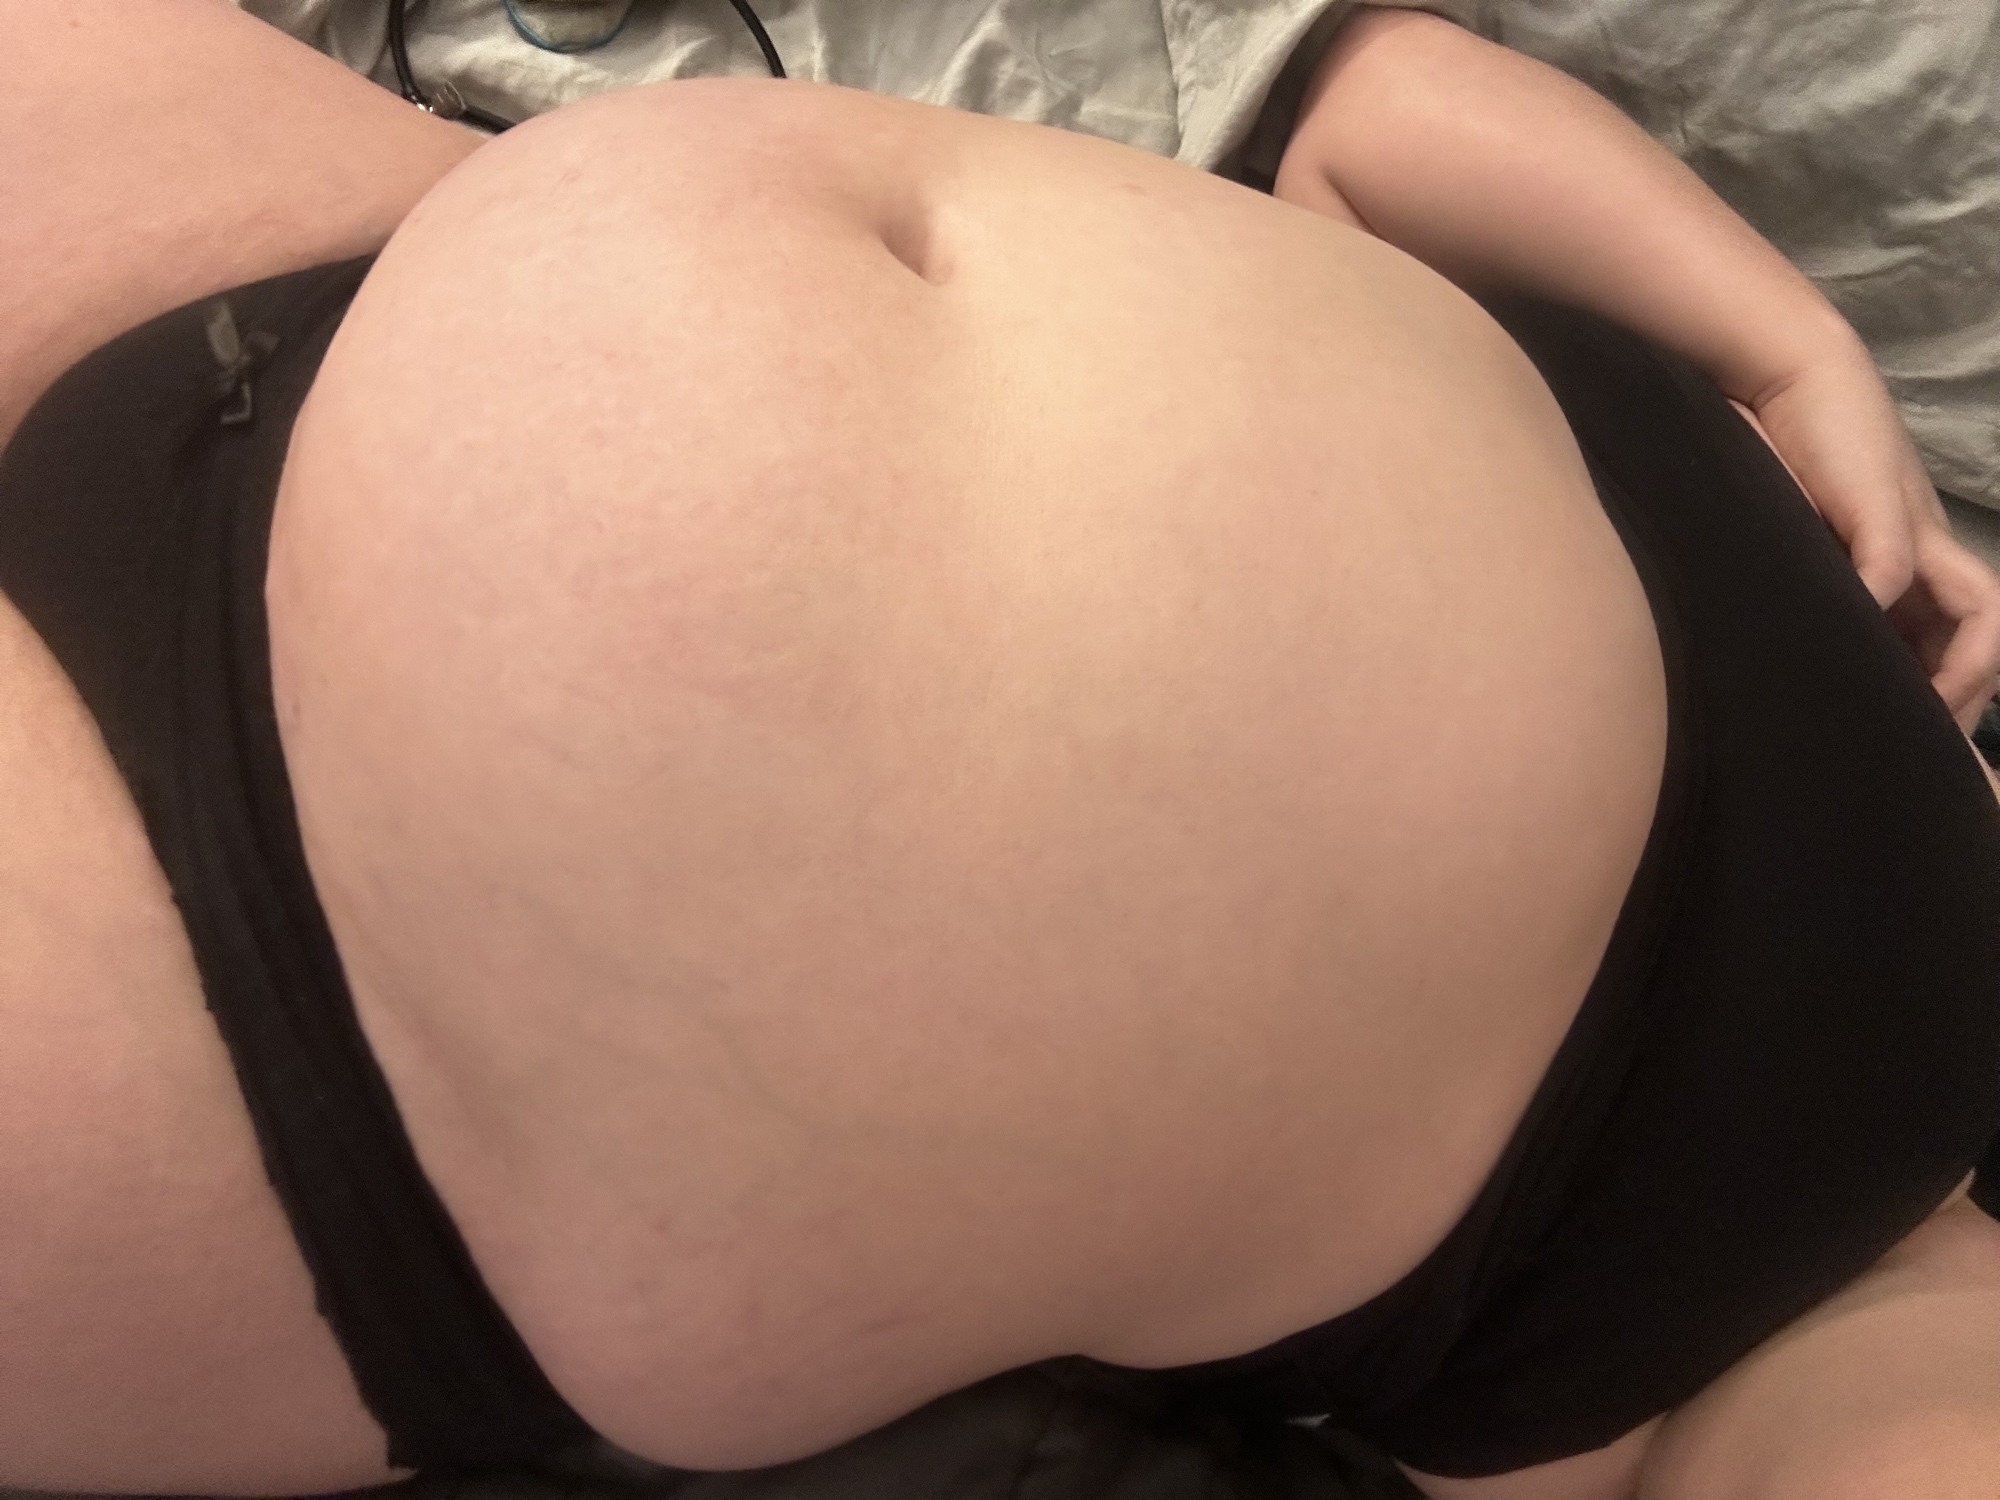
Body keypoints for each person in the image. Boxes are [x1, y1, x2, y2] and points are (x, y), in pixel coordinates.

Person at [3, 3, 1998, 1498]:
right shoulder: (1859, 1240)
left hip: (383, 1088)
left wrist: (1771, 352)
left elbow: (1361, 104)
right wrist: (1786, 342)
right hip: (367, 273)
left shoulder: (1843, 1288)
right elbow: (1360, 102)